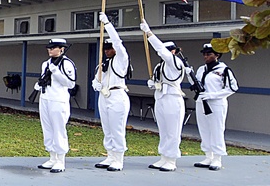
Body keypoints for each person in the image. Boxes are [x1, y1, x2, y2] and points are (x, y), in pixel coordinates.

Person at [140, 20, 184, 171]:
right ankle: (164, 157)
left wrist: (149, 33)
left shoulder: (175, 62)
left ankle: (171, 160)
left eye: (168, 50)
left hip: (173, 98)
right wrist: (153, 84)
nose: (165, 53)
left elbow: (160, 49)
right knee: (163, 130)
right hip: (161, 98)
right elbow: (158, 80)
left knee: (173, 131)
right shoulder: (160, 66)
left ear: (173, 51)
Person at [92, 12, 131, 171]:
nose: (108, 51)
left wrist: (107, 24)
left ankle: (119, 158)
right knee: (107, 128)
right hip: (104, 96)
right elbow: (97, 79)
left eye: (110, 48)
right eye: (106, 48)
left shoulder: (122, 59)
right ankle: (110, 155)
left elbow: (118, 42)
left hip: (117, 95)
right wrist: (96, 84)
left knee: (117, 129)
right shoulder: (104, 64)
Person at [193, 43, 239, 171]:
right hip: (201, 102)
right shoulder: (201, 69)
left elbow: (233, 88)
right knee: (204, 129)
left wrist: (213, 95)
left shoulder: (224, 70)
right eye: (204, 54)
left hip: (216, 103)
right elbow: (196, 83)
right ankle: (208, 156)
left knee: (217, 130)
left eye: (209, 54)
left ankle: (217, 158)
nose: (206, 56)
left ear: (217, 55)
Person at [34, 37, 77, 173]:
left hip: (58, 100)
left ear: (61, 49)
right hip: (46, 98)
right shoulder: (45, 64)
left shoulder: (66, 64)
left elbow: (71, 83)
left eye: (53, 48)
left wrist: (56, 72)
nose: (50, 50)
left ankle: (60, 160)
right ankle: (52, 157)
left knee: (58, 129)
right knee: (47, 128)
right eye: (49, 48)